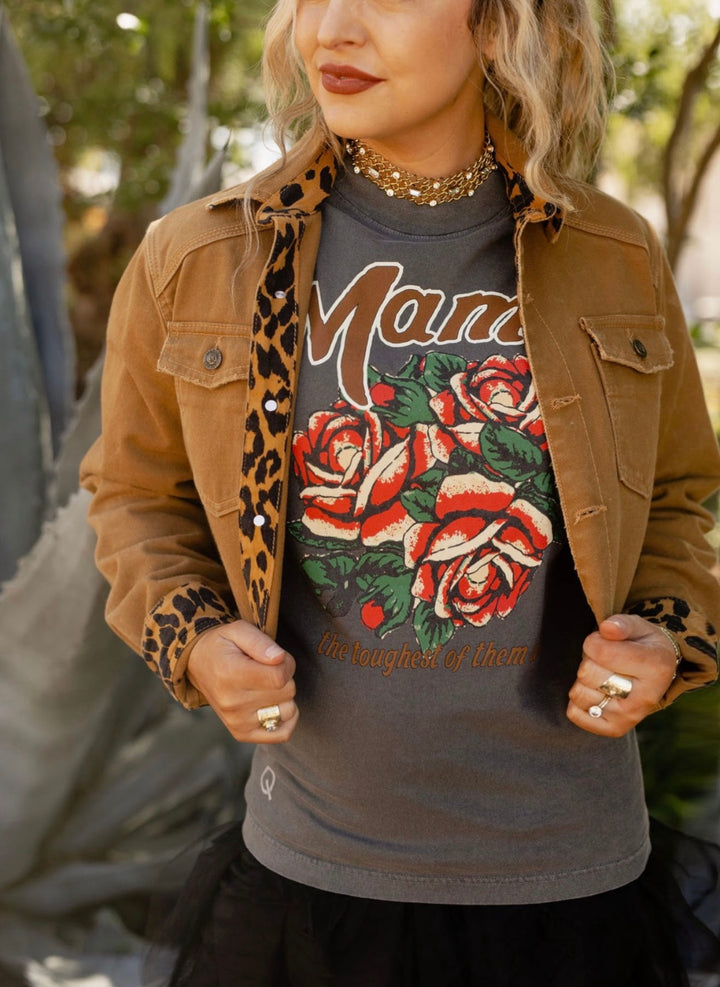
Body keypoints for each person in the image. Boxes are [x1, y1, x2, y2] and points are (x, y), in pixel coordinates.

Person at [81, 0, 720, 983]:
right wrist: (195, 636)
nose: (331, 28)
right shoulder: (200, 257)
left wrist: (666, 633)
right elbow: (135, 495)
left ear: (496, 23)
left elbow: (677, 496)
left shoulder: (614, 253)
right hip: (312, 881)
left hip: (573, 887)